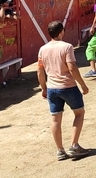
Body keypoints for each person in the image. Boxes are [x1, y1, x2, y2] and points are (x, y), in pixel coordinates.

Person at [37, 20, 89, 161]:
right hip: (68, 86)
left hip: (52, 89)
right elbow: (72, 68)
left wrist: (44, 88)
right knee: (79, 113)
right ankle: (74, 145)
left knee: (55, 119)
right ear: (61, 32)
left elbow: (40, 71)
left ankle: (60, 150)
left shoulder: (43, 49)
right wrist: (83, 85)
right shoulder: (67, 47)